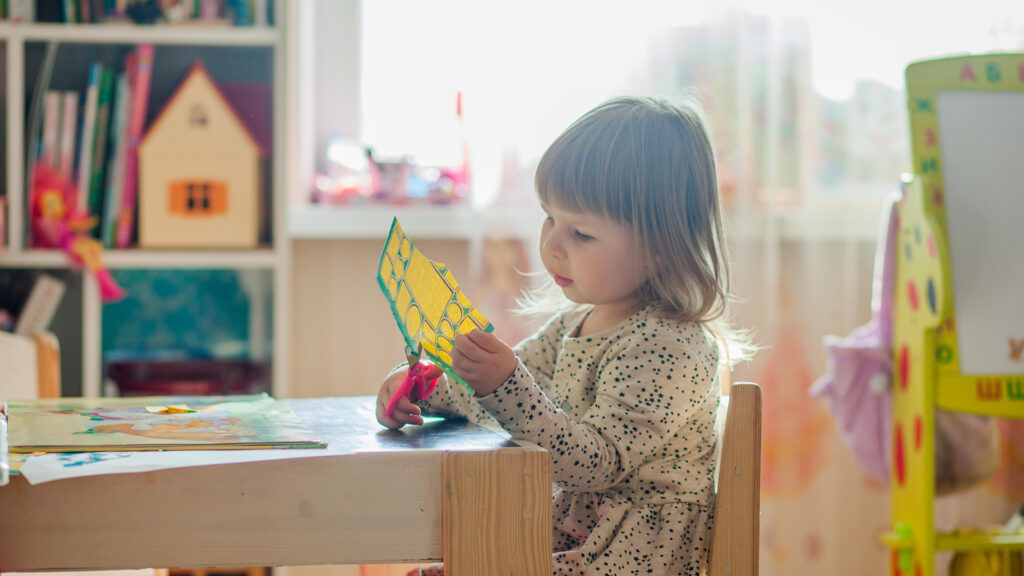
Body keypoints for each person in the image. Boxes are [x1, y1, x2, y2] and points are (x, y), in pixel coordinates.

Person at [376, 95, 752, 576]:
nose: (551, 245)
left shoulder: (671, 346)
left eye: (582, 234)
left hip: (627, 560)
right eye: (550, 218)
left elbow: (593, 463)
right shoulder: (576, 325)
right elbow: (505, 398)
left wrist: (503, 383)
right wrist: (427, 390)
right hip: (575, 542)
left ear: (661, 245)